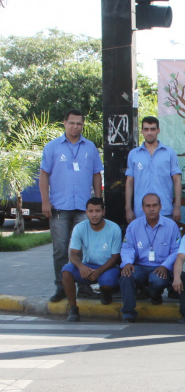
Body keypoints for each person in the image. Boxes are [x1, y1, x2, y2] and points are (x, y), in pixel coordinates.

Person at [40, 109, 104, 303]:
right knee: (60, 249)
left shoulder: (90, 147)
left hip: (83, 207)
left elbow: (96, 174)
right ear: (65, 123)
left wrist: (98, 202)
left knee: (83, 248)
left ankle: (84, 286)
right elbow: (44, 175)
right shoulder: (52, 147)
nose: (76, 127)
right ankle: (61, 286)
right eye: (72, 123)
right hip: (59, 207)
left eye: (79, 124)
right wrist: (45, 201)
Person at [120, 193, 181, 322]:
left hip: (161, 267)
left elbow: (177, 250)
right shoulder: (134, 226)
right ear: (142, 208)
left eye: (154, 205)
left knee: (157, 280)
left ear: (160, 207)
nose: (151, 209)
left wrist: (165, 265)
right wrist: (127, 262)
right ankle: (128, 313)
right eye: (148, 206)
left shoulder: (171, 226)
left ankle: (155, 296)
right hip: (140, 266)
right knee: (126, 274)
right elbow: (127, 247)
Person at [61, 197, 122, 322]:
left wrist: (99, 271)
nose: (94, 215)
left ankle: (105, 292)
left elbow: (115, 257)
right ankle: (73, 308)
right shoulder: (79, 228)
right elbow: (73, 254)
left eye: (97, 211)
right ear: (86, 212)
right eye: (91, 211)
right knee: (66, 271)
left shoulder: (114, 228)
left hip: (107, 267)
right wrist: (81, 266)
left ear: (103, 212)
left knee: (107, 283)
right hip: (87, 266)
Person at [125, 116, 182, 223]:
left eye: (152, 129)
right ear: (142, 131)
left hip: (165, 210)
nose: (149, 133)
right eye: (146, 129)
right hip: (141, 211)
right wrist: (128, 208)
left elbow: (177, 180)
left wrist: (177, 206)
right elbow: (129, 182)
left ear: (158, 130)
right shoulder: (133, 154)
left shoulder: (169, 153)